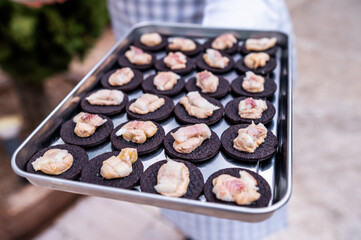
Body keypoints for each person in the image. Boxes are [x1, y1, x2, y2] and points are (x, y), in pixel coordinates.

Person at [17, 0, 294, 239]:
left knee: (227, 227)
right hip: (140, 33)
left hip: (230, 23)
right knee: (181, 205)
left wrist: (224, 41)